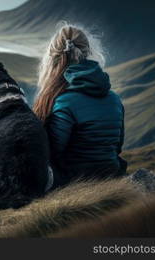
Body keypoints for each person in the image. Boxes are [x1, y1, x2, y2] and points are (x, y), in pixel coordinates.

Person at [33, 24, 127, 189]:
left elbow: (52, 153)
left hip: (74, 182)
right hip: (112, 175)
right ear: (88, 52)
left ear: (52, 58)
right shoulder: (114, 99)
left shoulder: (63, 101)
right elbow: (117, 147)